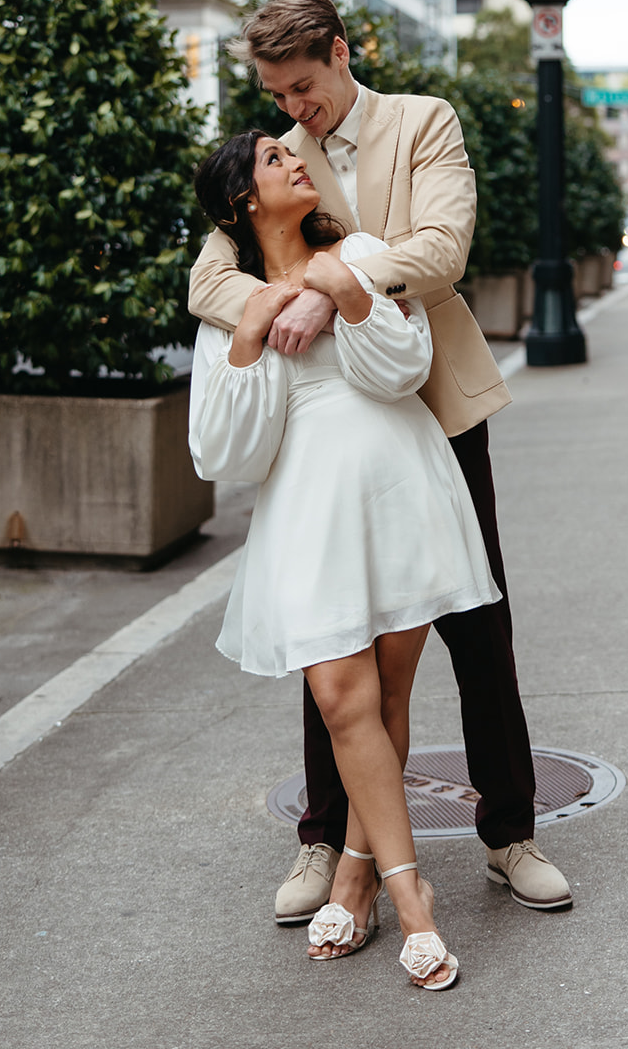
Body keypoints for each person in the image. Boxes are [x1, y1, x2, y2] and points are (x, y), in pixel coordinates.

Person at [189, 0, 573, 925]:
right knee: (335, 642)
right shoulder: (279, 155)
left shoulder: (420, 122)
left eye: (305, 88)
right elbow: (209, 273)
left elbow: (442, 250)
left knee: (479, 631)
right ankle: (324, 843)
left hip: (432, 408)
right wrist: (292, 294)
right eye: (278, 96)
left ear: (340, 53)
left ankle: (508, 833)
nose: (293, 111)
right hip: (324, 435)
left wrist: (343, 282)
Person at [190, 129, 504, 989]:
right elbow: (225, 452)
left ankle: (362, 879)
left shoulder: (360, 253)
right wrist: (253, 331)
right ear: (242, 202)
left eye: (292, 154)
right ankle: (417, 907)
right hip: (307, 509)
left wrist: (348, 293)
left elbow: (404, 370)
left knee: (390, 693)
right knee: (340, 697)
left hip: (398, 487)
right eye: (271, 159)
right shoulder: (233, 302)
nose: (295, 159)